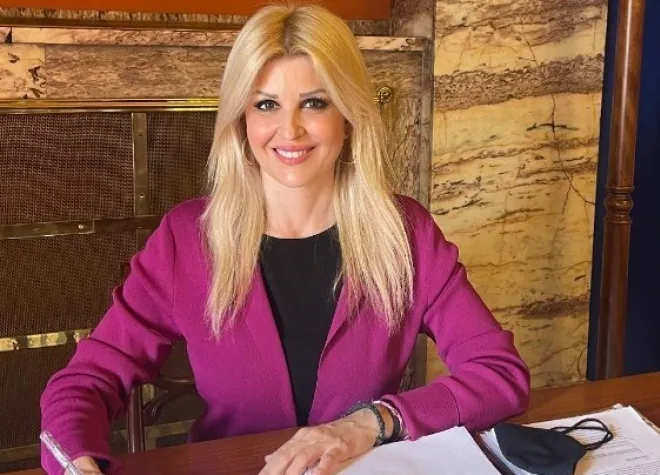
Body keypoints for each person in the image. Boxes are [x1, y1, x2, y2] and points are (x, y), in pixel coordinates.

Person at [40, 4, 530, 475]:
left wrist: (371, 423)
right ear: (242, 119)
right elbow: (87, 381)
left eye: (314, 102)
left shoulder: (406, 233)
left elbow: (499, 373)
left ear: (348, 116)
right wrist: (76, 462)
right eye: (266, 104)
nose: (289, 130)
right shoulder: (185, 238)